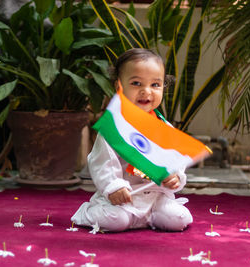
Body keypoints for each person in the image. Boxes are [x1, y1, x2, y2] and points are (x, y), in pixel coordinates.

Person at [71, 48, 193, 232]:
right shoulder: (112, 128)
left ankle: (150, 217)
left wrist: (175, 175)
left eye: (155, 85)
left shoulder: (164, 126)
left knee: (180, 219)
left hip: (155, 197)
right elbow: (101, 161)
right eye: (136, 83)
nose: (146, 91)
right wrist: (113, 187)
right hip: (123, 199)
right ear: (118, 86)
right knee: (116, 221)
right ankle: (87, 212)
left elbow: (176, 156)